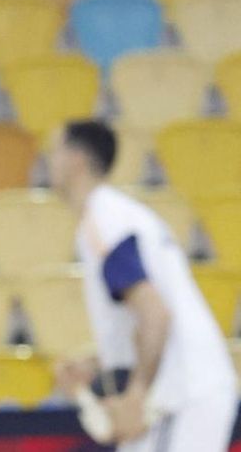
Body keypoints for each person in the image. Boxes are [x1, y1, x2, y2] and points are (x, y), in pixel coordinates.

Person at [47, 120, 238, 451]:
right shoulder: (116, 214)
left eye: (55, 151)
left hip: (181, 393)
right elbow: (143, 317)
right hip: (186, 389)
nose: (48, 160)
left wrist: (135, 396)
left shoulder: (103, 220)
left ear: (76, 159)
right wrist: (96, 365)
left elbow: (155, 314)